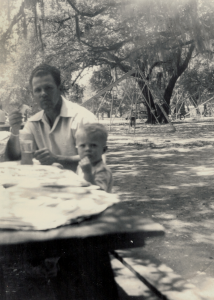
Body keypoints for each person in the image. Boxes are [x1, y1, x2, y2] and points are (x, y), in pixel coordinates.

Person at [7, 64, 97, 170]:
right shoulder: (33, 123)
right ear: (33, 95)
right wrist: (15, 131)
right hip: (48, 184)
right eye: (38, 90)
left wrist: (57, 160)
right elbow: (14, 157)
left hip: (82, 185)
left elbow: (94, 159)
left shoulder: (83, 119)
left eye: (48, 88)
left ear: (59, 89)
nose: (43, 94)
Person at [76, 123, 113, 193]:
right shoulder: (82, 166)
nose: (87, 149)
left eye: (93, 145)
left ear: (104, 150)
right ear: (77, 149)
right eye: (82, 145)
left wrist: (88, 173)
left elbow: (98, 193)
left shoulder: (102, 170)